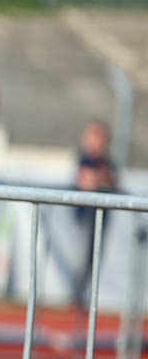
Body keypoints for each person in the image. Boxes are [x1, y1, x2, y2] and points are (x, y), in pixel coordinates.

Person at [70, 120, 119, 311]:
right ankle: (76, 298)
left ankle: (83, 299)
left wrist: (101, 178)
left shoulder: (107, 162)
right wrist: (99, 178)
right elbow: (86, 182)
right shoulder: (84, 159)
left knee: (94, 258)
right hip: (86, 216)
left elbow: (110, 181)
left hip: (101, 217)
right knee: (82, 258)